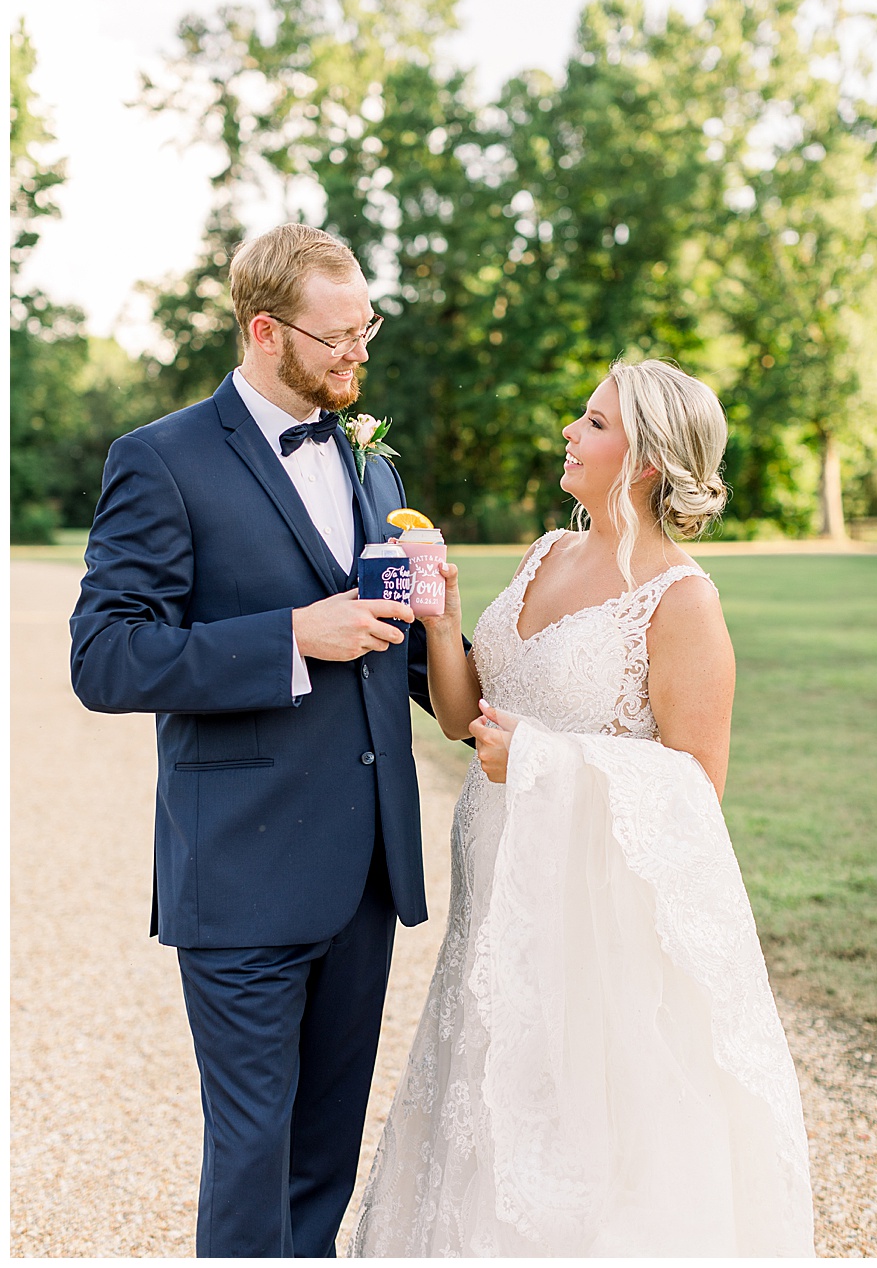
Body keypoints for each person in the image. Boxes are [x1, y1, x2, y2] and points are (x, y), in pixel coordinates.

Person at [349, 359, 814, 1256]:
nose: (570, 430)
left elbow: (696, 786)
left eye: (593, 422)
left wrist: (543, 762)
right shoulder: (544, 554)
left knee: (574, 1114)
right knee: (484, 1079)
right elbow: (460, 717)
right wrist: (444, 624)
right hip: (496, 883)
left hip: (592, 910)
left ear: (643, 457)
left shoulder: (681, 600)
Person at [69, 224, 442, 1256]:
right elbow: (104, 657)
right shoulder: (159, 460)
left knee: (325, 1161)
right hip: (240, 870)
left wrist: (449, 630)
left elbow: (399, 654)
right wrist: (289, 636)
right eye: (338, 339)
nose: (359, 355)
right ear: (265, 329)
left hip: (363, 874)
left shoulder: (376, 464)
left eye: (367, 329)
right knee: (250, 1158)